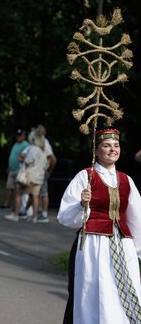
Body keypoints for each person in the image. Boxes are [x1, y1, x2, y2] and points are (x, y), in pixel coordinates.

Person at [58, 128, 141, 324]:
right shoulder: (85, 177)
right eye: (106, 146)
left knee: (124, 291)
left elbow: (136, 218)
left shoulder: (126, 180)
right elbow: (64, 217)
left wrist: (137, 250)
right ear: (95, 151)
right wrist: (81, 204)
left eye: (116, 145)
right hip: (93, 245)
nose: (112, 150)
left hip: (123, 246)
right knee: (95, 291)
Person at [5, 129, 47, 223]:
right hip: (39, 177)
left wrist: (21, 158)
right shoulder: (43, 151)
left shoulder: (33, 149)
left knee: (18, 193)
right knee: (35, 196)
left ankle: (16, 214)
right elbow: (45, 165)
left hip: (29, 176)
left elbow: (28, 161)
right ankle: (34, 217)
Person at [0, 129, 29, 210]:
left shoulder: (26, 145)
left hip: (19, 170)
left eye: (20, 135)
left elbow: (26, 157)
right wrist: (9, 166)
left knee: (18, 190)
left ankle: (18, 207)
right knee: (9, 187)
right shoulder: (15, 144)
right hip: (12, 169)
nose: (18, 137)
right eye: (17, 136)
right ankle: (7, 204)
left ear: (24, 136)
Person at [36, 124, 57, 223]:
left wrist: (49, 170)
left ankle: (44, 214)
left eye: (38, 131)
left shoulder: (45, 142)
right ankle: (39, 212)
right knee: (38, 192)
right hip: (37, 171)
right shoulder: (37, 142)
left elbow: (53, 159)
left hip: (42, 171)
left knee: (44, 193)